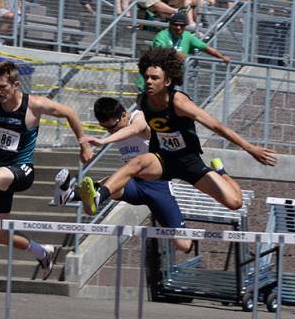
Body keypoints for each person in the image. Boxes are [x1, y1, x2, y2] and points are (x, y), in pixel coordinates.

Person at [74, 47, 276, 215]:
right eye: (147, 77)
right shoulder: (142, 100)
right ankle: (100, 194)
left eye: (155, 78)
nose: (149, 82)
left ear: (167, 81)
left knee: (235, 203)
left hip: (189, 162)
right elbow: (138, 125)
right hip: (163, 159)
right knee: (136, 163)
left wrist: (250, 149)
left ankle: (221, 171)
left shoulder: (179, 102)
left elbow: (216, 125)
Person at [0, 61, 93, 279]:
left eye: (3, 87)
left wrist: (84, 143)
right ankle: (42, 252)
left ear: (15, 85)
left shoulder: (34, 105)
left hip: (22, 170)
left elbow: (69, 112)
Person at [54, 98, 193, 253]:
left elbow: (135, 129)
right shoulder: (115, 128)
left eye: (113, 127)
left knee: (183, 244)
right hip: (133, 183)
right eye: (106, 129)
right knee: (115, 182)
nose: (112, 131)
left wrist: (103, 140)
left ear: (125, 115)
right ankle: (70, 195)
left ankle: (90, 196)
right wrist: (85, 149)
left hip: (158, 186)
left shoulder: (139, 117)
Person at [153, 10, 231, 63]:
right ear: (170, 24)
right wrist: (177, 54)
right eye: (175, 24)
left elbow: (205, 48)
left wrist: (222, 57)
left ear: (185, 26)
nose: (178, 27)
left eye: (182, 25)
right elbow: (160, 50)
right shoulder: (162, 35)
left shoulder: (187, 36)